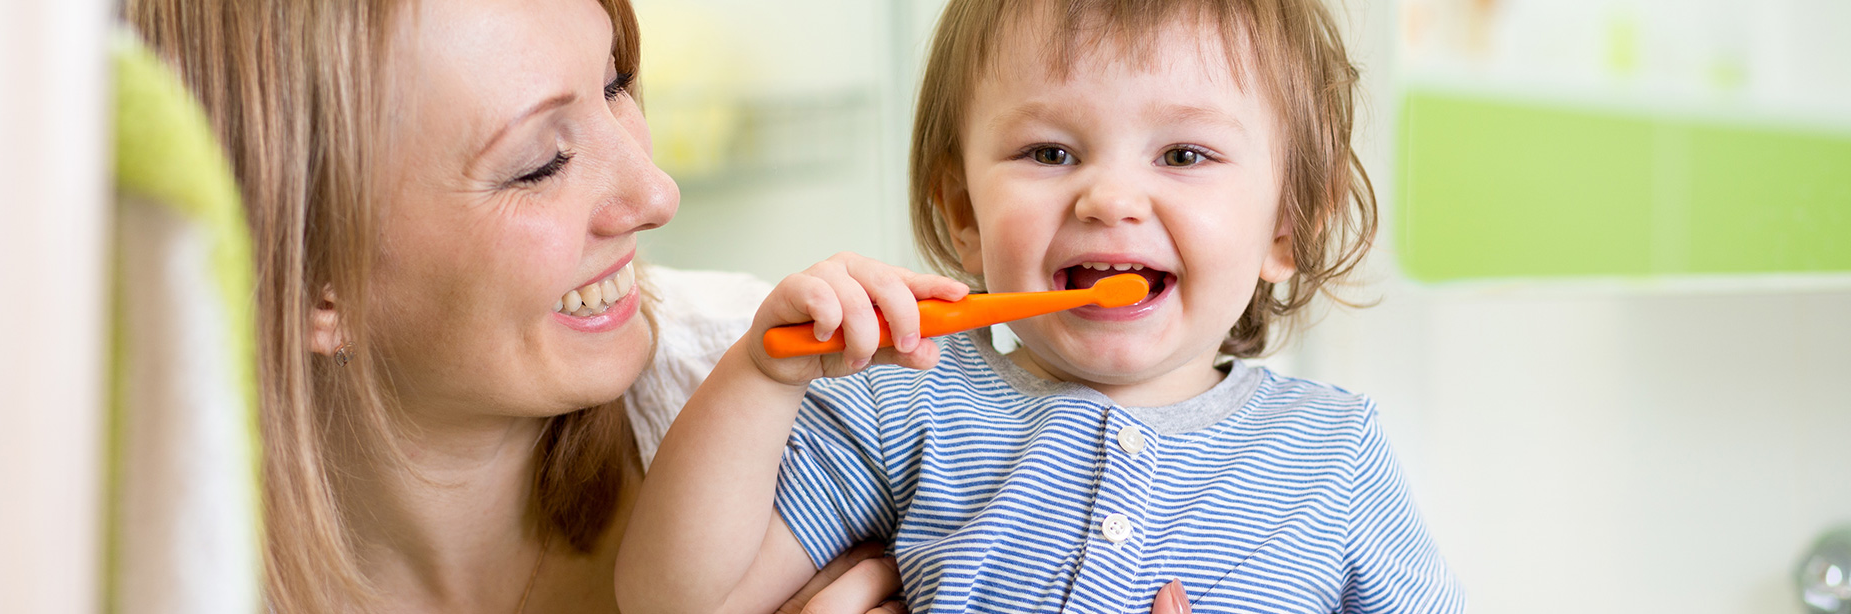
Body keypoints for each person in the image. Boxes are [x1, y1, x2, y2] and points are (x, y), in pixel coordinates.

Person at [617, 0, 1465, 612]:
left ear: (1287, 225)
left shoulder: (1333, 456)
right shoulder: (905, 403)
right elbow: (678, 600)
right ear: (962, 214)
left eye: (1183, 152)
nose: (1110, 197)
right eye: (1050, 151)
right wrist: (761, 376)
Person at [125, 0, 903, 611]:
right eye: (542, 165)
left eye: (616, 84)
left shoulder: (827, 408)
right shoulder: (140, 561)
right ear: (313, 288)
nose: (656, 193)